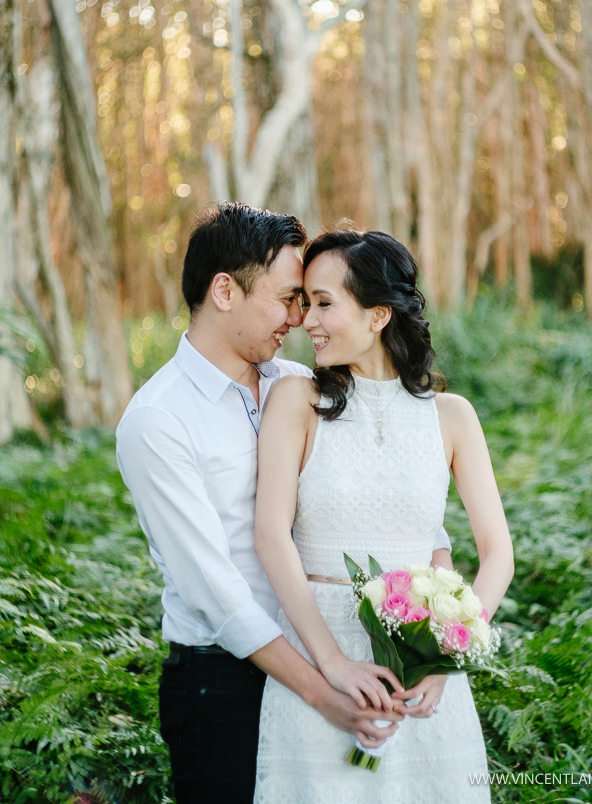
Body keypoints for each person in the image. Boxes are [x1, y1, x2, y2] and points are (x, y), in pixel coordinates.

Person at [115, 204, 410, 804]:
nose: (300, 318)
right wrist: (322, 689)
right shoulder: (158, 420)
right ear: (225, 290)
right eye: (287, 299)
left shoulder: (297, 384)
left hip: (325, 654)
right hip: (222, 684)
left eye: (306, 301)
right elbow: (214, 592)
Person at [253, 228, 514, 803]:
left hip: (422, 674)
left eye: (324, 303)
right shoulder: (297, 402)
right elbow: (272, 536)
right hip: (320, 660)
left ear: (377, 316)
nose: (307, 321)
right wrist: (333, 664)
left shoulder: (451, 416)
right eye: (304, 303)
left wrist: (447, 658)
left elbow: (498, 555)